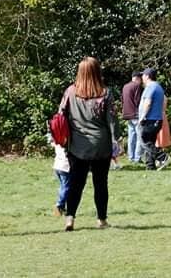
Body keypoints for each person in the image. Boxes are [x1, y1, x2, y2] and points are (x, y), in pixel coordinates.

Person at [60, 57, 119, 231]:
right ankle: (101, 220)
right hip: (101, 145)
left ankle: (70, 218)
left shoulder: (70, 92)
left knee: (76, 183)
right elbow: (113, 120)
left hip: (77, 145)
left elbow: (60, 115)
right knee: (100, 183)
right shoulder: (105, 93)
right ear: (97, 71)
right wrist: (116, 140)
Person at [139, 68, 168, 170]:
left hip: (150, 119)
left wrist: (142, 117)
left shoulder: (151, 87)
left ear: (147, 76)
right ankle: (150, 166)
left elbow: (148, 103)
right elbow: (165, 100)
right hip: (156, 119)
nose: (142, 77)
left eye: (143, 75)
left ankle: (162, 156)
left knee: (144, 141)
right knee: (150, 141)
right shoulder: (158, 87)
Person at [121, 72, 143, 163]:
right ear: (138, 78)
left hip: (127, 114)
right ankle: (137, 158)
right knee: (139, 137)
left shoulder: (125, 86)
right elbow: (138, 100)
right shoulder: (137, 86)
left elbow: (122, 99)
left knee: (131, 137)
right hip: (136, 114)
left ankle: (130, 157)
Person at [50, 132, 70, 216]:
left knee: (62, 186)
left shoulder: (56, 140)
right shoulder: (66, 142)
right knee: (66, 187)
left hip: (57, 166)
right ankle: (59, 205)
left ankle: (62, 207)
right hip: (65, 167)